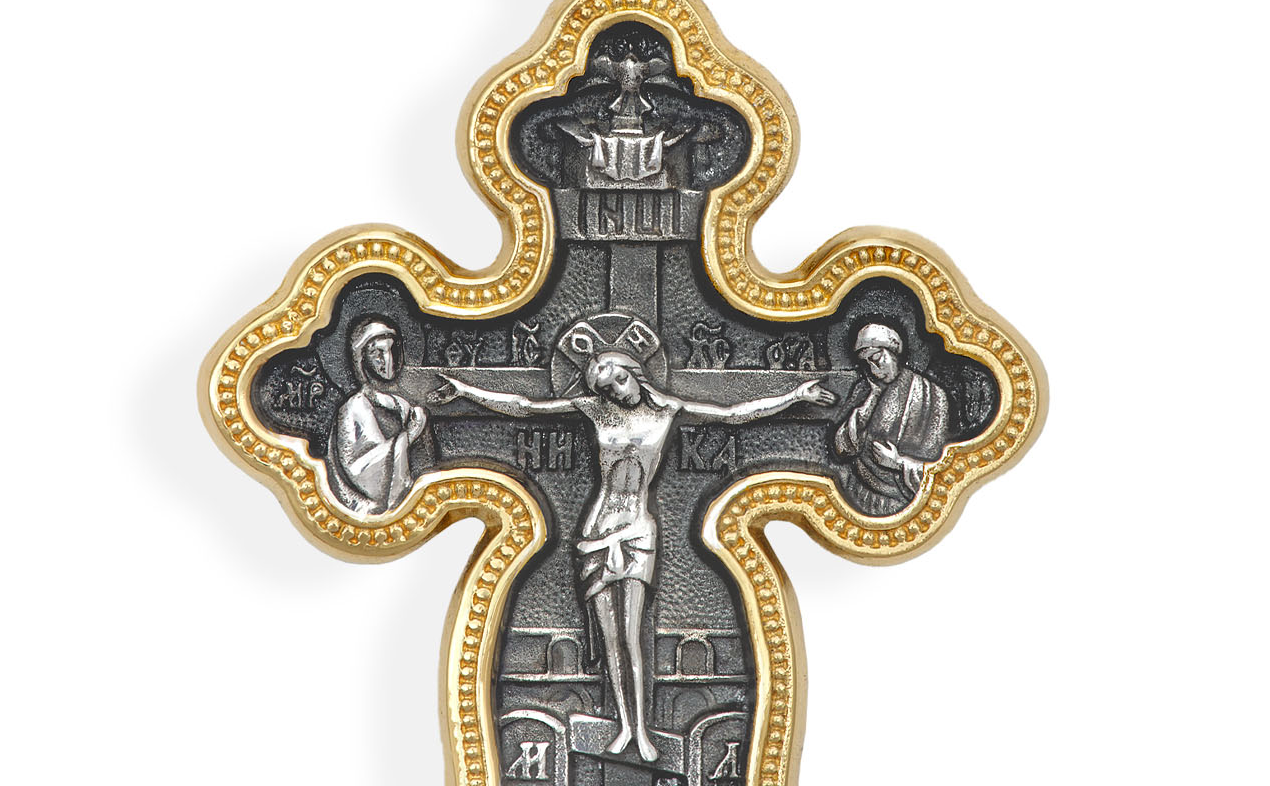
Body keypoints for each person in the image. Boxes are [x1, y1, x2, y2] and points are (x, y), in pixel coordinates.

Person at [438, 352, 833, 762]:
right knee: (612, 641)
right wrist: (465, 391)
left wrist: (796, 397)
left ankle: (641, 731)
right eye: (607, 390)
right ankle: (625, 727)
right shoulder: (595, 411)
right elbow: (526, 406)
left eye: (619, 382)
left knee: (631, 636)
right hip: (596, 534)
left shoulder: (668, 411)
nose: (616, 393)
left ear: (634, 372)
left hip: (637, 531)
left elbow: (733, 414)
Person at [833, 323, 951, 512]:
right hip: (857, 495)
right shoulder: (863, 390)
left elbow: (942, 470)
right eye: (866, 362)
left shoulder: (931, 395)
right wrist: (872, 398)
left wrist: (898, 463)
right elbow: (842, 447)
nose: (873, 368)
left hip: (901, 501)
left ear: (893, 351)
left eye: (876, 358)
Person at [326, 318, 431, 516]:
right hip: (368, 510)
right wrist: (408, 436)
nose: (388, 360)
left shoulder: (403, 405)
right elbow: (359, 472)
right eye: (378, 353)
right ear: (362, 359)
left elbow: (426, 465)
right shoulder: (355, 407)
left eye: (392, 350)